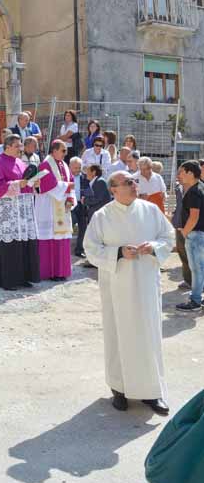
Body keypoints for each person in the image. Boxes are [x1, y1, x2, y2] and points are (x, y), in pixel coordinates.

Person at [84, 170, 174, 415]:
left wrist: (154, 247)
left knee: (147, 335)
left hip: (145, 284)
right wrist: (118, 253)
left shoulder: (150, 210)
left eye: (134, 181)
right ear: (114, 189)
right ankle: (119, 389)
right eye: (128, 182)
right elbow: (90, 249)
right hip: (117, 286)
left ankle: (152, 392)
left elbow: (168, 236)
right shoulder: (102, 216)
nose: (134, 185)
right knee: (118, 334)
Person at [0, 134, 40, 290]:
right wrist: (18, 183)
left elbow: (25, 183)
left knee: (22, 242)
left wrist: (34, 182)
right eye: (17, 146)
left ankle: (23, 277)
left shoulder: (20, 163)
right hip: (6, 212)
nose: (20, 149)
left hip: (21, 211)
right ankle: (8, 280)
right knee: (10, 243)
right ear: (7, 147)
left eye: (21, 146)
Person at [35, 139, 76, 281]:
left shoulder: (64, 165)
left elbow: (71, 183)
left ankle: (61, 271)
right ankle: (49, 272)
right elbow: (49, 185)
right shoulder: (45, 165)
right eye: (63, 150)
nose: (66, 153)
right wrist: (67, 187)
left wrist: (71, 199)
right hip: (48, 207)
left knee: (62, 239)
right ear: (54, 150)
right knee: (50, 239)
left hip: (62, 207)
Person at [175, 160, 204, 312]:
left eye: (181, 172)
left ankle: (195, 301)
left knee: (197, 269)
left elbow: (194, 216)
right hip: (199, 235)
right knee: (200, 268)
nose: (179, 175)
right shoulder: (200, 187)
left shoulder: (194, 191)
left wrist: (185, 232)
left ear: (190, 173)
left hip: (196, 235)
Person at [171, 170, 191, 291]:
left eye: (181, 173)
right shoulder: (178, 188)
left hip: (194, 226)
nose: (178, 175)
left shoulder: (198, 188)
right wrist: (174, 218)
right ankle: (188, 280)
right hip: (179, 225)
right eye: (178, 173)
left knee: (196, 255)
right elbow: (179, 206)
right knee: (182, 252)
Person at [69, 157, 88, 260]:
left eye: (79, 168)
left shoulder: (85, 177)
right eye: (75, 168)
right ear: (70, 167)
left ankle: (79, 250)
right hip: (70, 204)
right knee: (69, 226)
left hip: (81, 204)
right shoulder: (65, 176)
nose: (77, 170)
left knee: (83, 227)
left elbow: (88, 190)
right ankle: (65, 248)